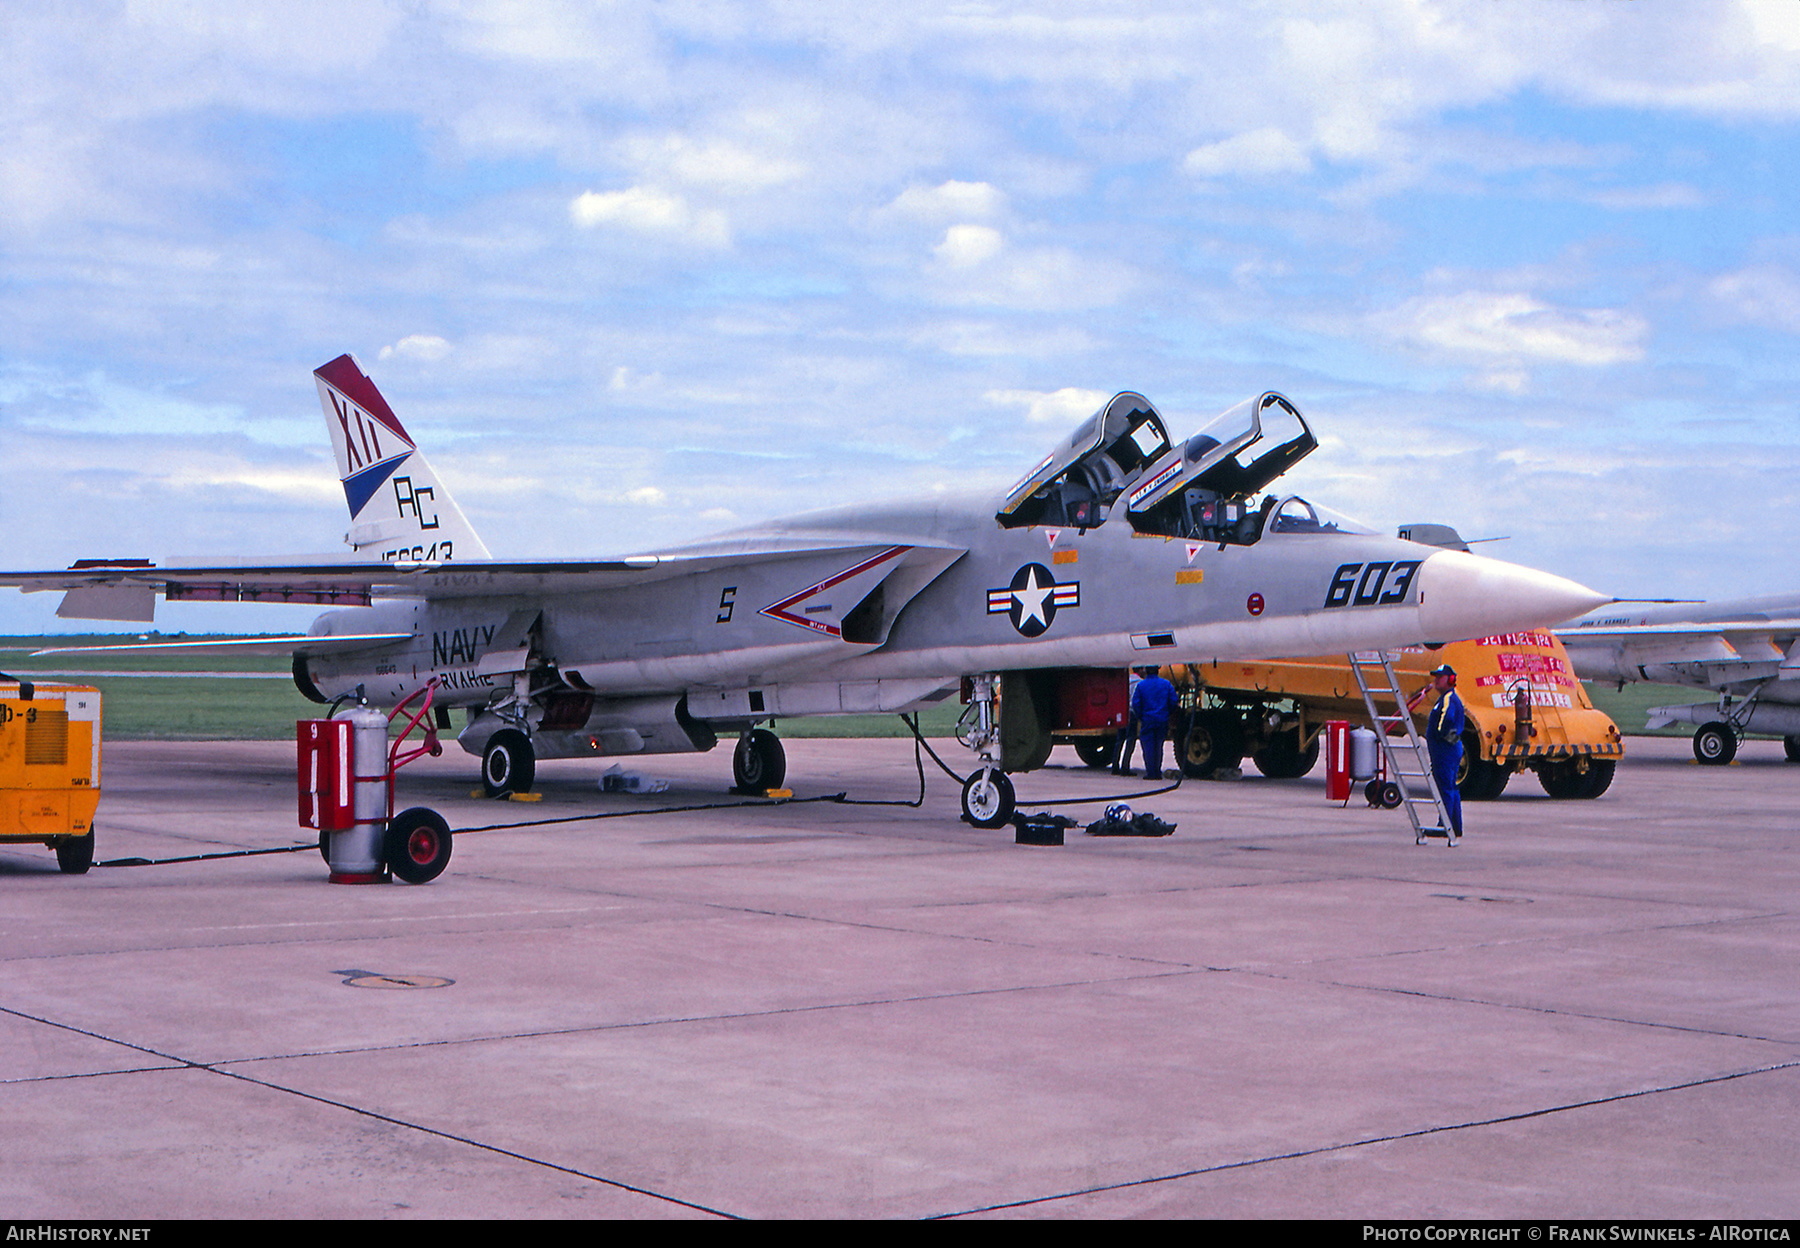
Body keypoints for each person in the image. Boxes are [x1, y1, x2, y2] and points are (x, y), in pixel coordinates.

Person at [1407, 663, 1465, 838]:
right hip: (1447, 749)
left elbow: (1446, 719)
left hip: (1444, 750)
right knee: (1451, 787)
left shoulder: (1448, 699)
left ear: (1451, 680)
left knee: (1445, 788)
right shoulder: (1447, 698)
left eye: (1441, 677)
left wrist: (1439, 735)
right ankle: (1454, 825)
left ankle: (1444, 826)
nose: (1437, 680)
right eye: (1436, 677)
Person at [1130, 665, 1178, 781]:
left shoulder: (1141, 686)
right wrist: (1167, 713)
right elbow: (1173, 701)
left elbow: (1136, 704)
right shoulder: (1166, 684)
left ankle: (1151, 772)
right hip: (1162, 719)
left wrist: (1141, 716)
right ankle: (1157, 771)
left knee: (1148, 747)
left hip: (1147, 720)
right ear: (1158, 670)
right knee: (1158, 746)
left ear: (1146, 670)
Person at [1112, 667, 1142, 775]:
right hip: (1132, 713)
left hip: (1122, 712)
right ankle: (1125, 766)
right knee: (1130, 740)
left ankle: (1115, 766)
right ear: (1141, 670)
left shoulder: (1125, 681)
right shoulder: (1140, 683)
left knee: (1119, 740)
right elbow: (1137, 701)